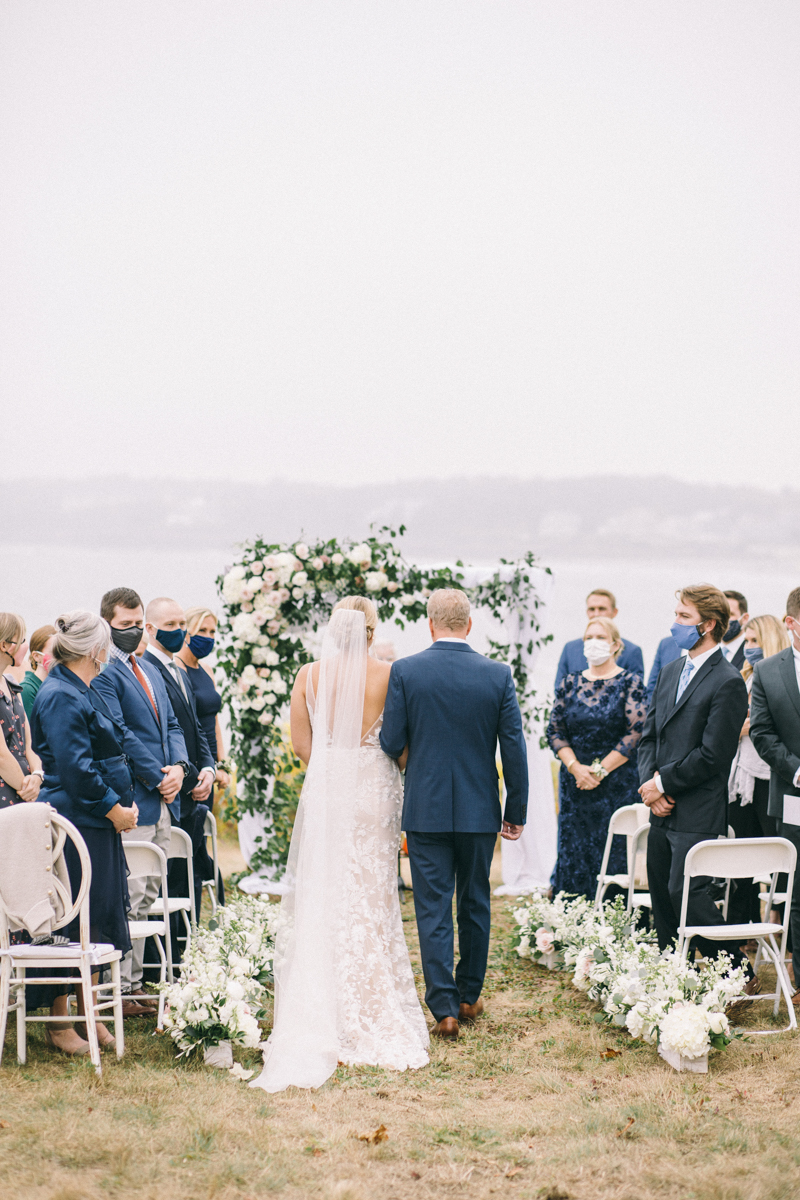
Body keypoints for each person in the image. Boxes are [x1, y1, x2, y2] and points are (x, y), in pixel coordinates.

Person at [251, 597, 430, 1093]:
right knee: (373, 892)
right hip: (374, 786)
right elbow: (402, 741)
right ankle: (372, 1008)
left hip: (328, 784)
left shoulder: (308, 675)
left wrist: (332, 762)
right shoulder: (389, 675)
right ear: (371, 631)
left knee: (326, 888)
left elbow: (302, 746)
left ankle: (320, 1005)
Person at [380, 588, 529, 1040]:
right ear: (469, 624)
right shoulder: (497, 675)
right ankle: (469, 996)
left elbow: (390, 741)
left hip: (424, 808)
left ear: (430, 625)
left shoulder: (406, 670)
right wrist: (515, 809)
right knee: (475, 901)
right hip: (480, 808)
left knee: (431, 907)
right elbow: (515, 749)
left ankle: (443, 1007)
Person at [638, 585, 756, 991]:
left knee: (685, 893)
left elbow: (713, 755)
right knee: (662, 898)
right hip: (661, 806)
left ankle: (737, 972)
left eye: (683, 617)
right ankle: (674, 980)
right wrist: (651, 786)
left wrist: (663, 784)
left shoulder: (727, 681)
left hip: (698, 809)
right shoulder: (671, 670)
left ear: (708, 625)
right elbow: (649, 734)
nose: (675, 622)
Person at [31, 610, 138, 1054]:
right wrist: (113, 809)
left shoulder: (83, 687)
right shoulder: (59, 694)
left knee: (95, 917)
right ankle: (60, 1023)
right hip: (77, 818)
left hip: (95, 821)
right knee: (70, 918)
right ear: (95, 649)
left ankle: (88, 1011)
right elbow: (76, 769)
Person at [93, 587, 190, 1014]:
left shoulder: (147, 669)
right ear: (107, 625)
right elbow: (119, 733)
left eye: (137, 624)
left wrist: (179, 770)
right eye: (125, 625)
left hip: (165, 796)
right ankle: (122, 987)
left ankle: (134, 984)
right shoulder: (105, 673)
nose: (133, 632)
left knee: (150, 892)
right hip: (138, 794)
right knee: (130, 894)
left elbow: (170, 723)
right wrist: (156, 777)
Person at [546, 617, 647, 899]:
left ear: (615, 645)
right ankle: (572, 923)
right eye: (588, 637)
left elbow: (635, 732)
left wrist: (599, 771)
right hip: (575, 785)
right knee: (573, 852)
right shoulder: (569, 684)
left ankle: (613, 928)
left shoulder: (631, 683)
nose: (593, 643)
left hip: (616, 783)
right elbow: (555, 731)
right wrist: (575, 768)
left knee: (614, 854)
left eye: (600, 637)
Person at [143, 597, 216, 924]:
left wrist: (210, 768)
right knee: (166, 883)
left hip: (195, 789)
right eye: (171, 625)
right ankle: (165, 967)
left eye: (182, 625)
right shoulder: (147, 669)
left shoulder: (179, 670)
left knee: (190, 878)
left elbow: (196, 727)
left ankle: (189, 953)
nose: (179, 631)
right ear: (150, 628)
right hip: (168, 791)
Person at [749, 586, 800, 1000]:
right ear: (791, 623)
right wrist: (796, 771)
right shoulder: (768, 673)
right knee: (799, 892)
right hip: (793, 796)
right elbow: (763, 734)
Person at [726, 615, 790, 926]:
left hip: (771, 774)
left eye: (755, 641)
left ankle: (780, 924)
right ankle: (744, 926)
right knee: (743, 853)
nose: (749, 648)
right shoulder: (745, 676)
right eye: (747, 642)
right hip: (742, 775)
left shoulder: (783, 676)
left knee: (777, 852)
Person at [176, 607, 230, 786]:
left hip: (212, 765)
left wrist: (222, 764)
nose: (208, 637)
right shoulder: (176, 668)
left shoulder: (207, 670)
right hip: (193, 763)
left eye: (212, 631)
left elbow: (214, 719)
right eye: (202, 630)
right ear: (187, 633)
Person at [555, 589, 644, 688]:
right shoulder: (570, 649)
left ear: (614, 612)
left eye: (602, 609)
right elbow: (559, 688)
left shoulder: (631, 651)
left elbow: (636, 691)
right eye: (592, 609)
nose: (596, 614)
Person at [0, 613, 43, 808]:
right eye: (22, 640)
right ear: (4, 646)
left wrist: (37, 774)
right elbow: (2, 756)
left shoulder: (10, 683)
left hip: (25, 792)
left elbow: (29, 740)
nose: (24, 646)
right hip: (9, 793)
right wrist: (28, 792)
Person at [21, 624, 56, 719]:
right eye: (54, 651)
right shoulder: (27, 689)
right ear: (36, 656)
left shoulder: (56, 685)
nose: (59, 657)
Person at [721, 591, 750, 670]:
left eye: (730, 614)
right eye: (719, 614)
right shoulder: (709, 651)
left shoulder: (751, 652)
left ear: (744, 618)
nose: (723, 619)